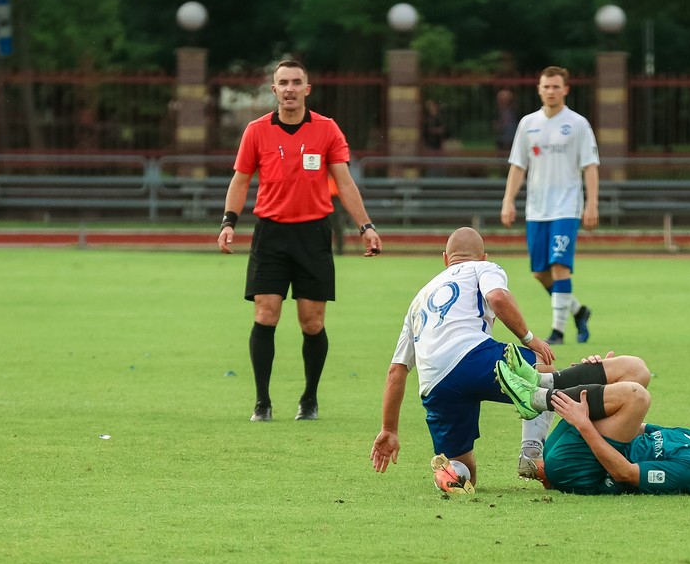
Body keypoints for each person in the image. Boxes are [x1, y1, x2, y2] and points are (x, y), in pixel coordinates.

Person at [217, 59, 382, 422]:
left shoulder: (327, 129)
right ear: (273, 90)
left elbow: (345, 182)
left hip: (313, 233)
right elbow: (241, 180)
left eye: (296, 82)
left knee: (313, 323)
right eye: (282, 83)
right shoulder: (256, 130)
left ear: (307, 89)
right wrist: (229, 221)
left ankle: (309, 398)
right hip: (270, 233)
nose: (289, 89)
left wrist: (365, 226)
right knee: (266, 314)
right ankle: (262, 402)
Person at [370, 227, 556, 495]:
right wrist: (529, 339)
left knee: (464, 469)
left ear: (445, 259)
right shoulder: (483, 268)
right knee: (544, 367)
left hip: (435, 384)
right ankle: (531, 453)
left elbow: (396, 371)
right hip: (473, 357)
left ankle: (450, 473)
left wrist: (389, 429)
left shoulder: (419, 298)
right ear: (484, 256)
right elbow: (498, 297)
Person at [494, 349, 690, 496]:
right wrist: (602, 384)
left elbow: (626, 474)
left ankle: (536, 400)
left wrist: (585, 424)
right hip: (581, 448)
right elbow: (634, 427)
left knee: (638, 397)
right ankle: (543, 382)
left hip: (579, 468)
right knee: (636, 371)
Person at [501, 66, 599, 346]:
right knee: (539, 272)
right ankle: (579, 311)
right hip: (537, 209)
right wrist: (508, 201)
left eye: (556, 87)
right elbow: (518, 166)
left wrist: (591, 204)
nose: (551, 91)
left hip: (566, 208)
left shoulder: (578, 124)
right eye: (546, 86)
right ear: (539, 89)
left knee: (559, 266)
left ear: (566, 89)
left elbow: (590, 167)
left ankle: (557, 331)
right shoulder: (528, 124)